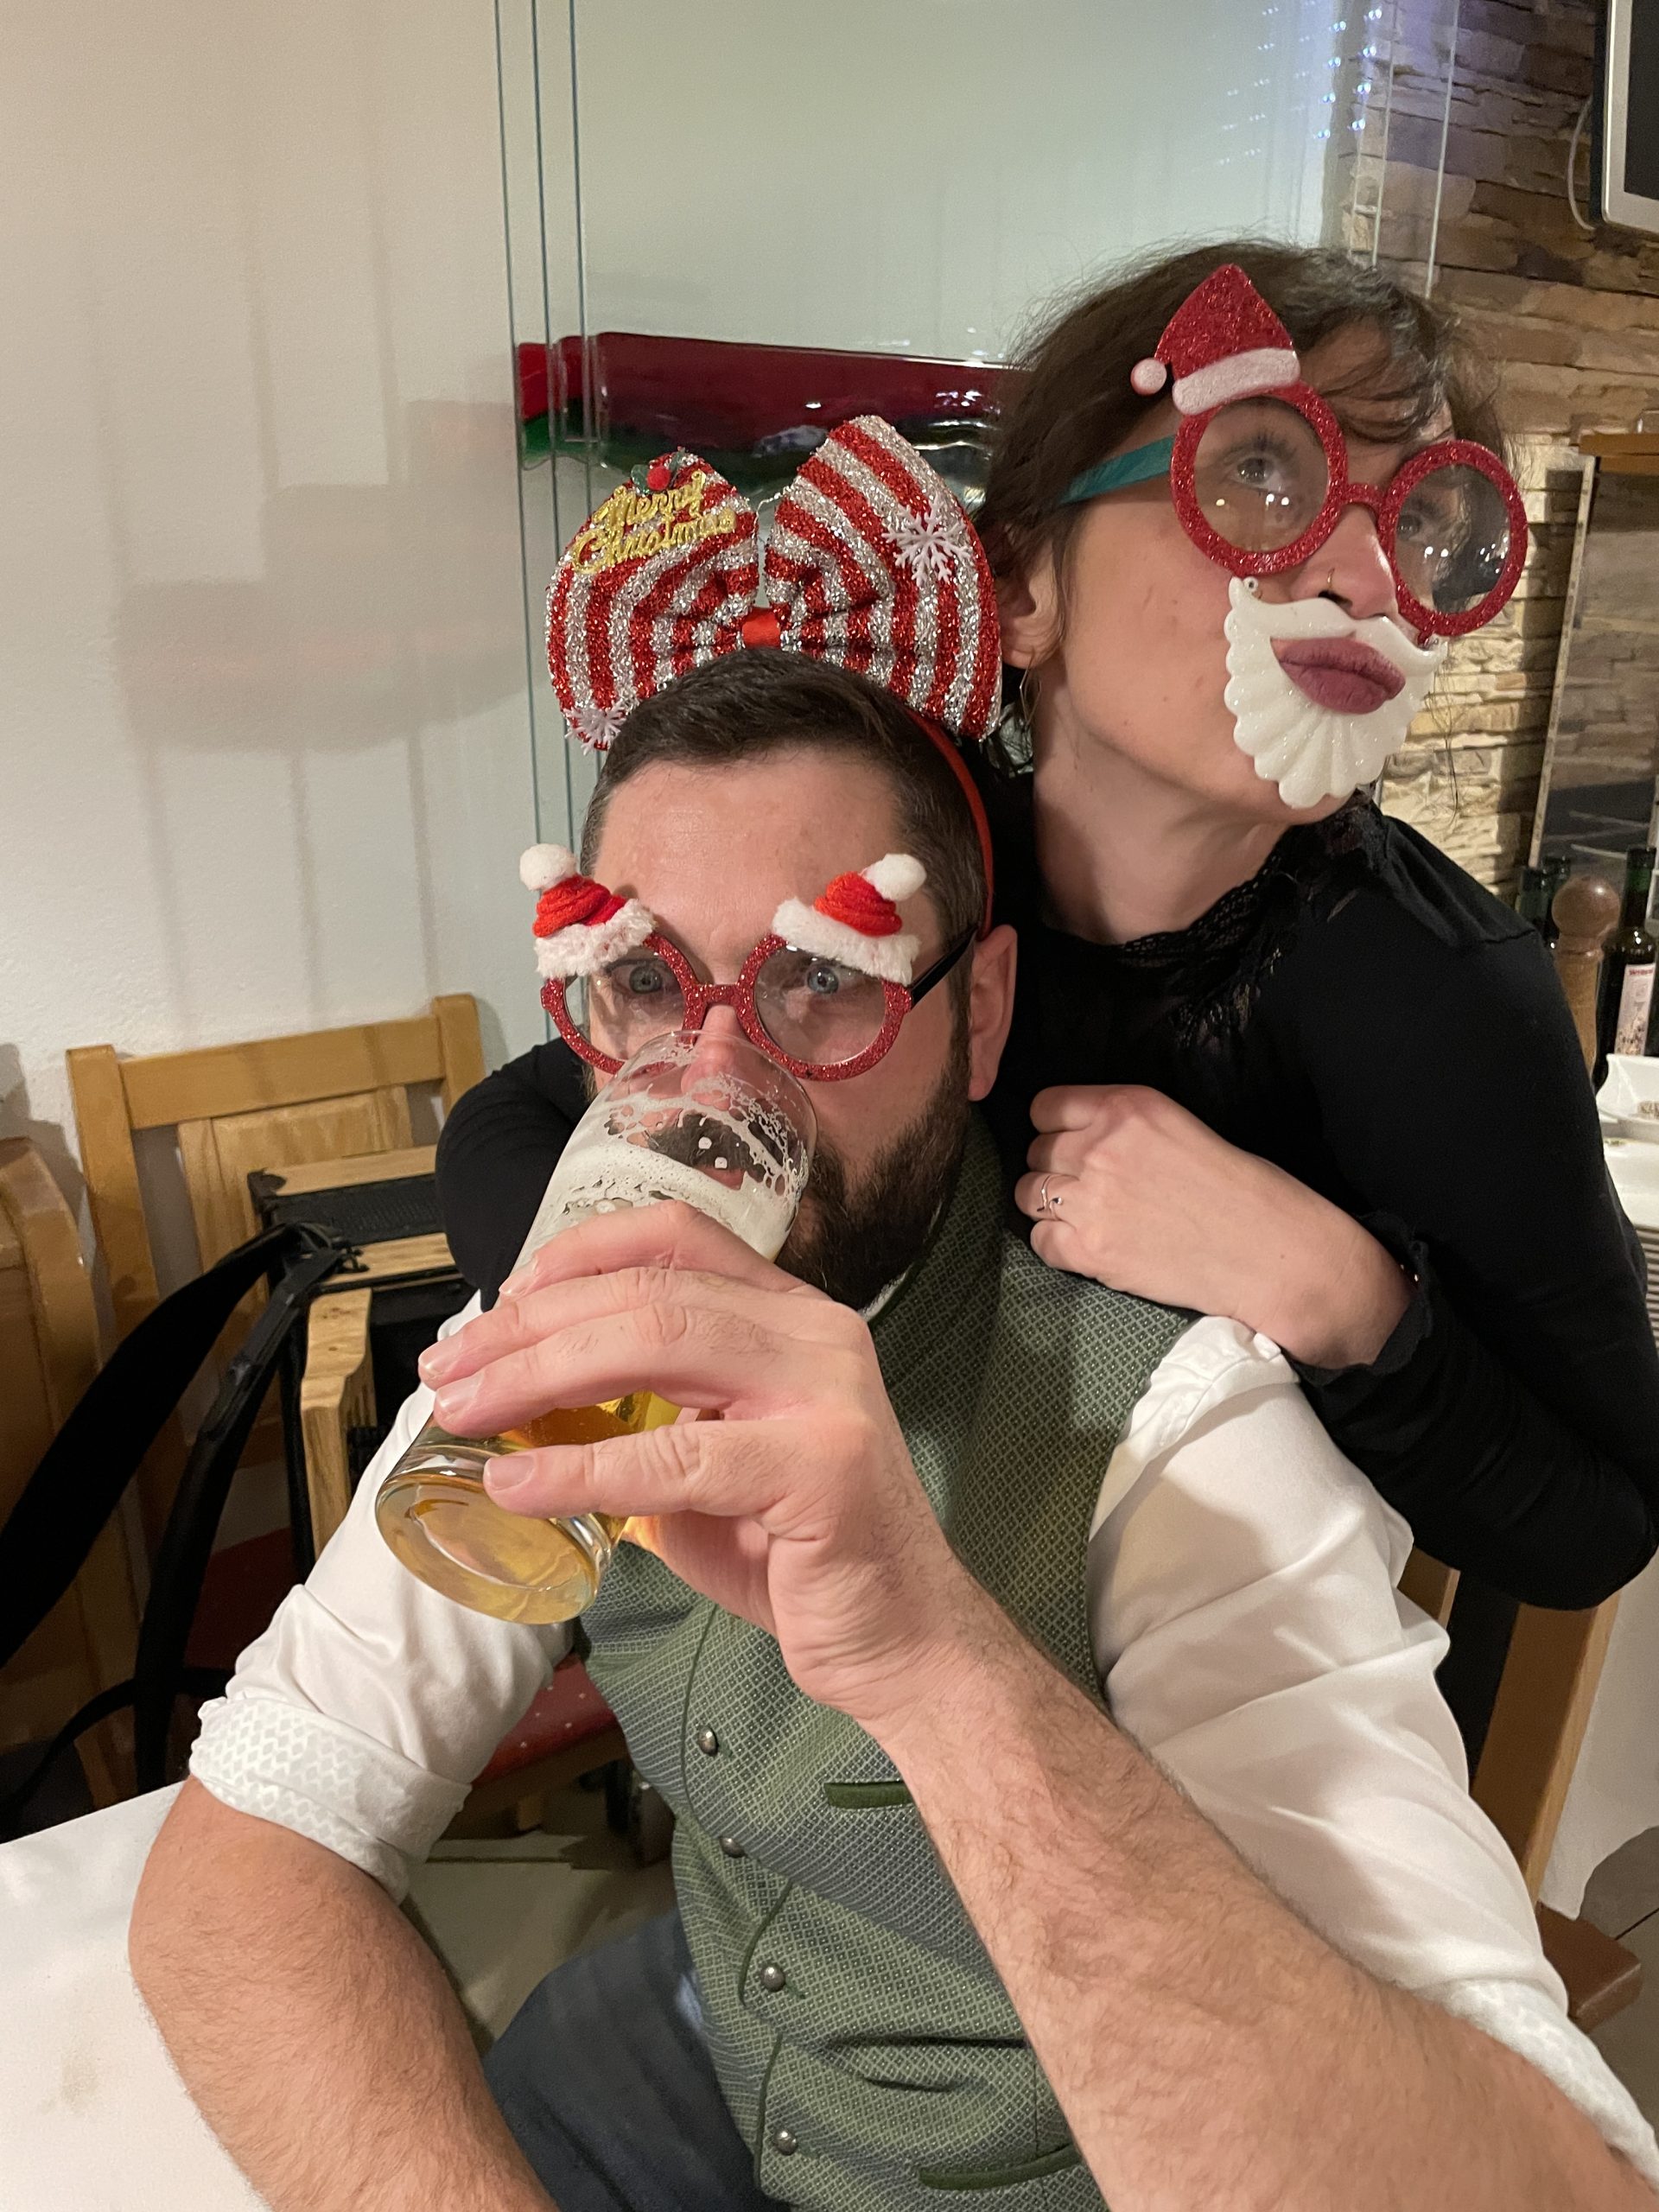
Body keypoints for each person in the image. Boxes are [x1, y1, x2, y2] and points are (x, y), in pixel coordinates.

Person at [130, 432, 1658, 2212]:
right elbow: (249, 1844)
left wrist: (932, 1655)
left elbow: (1549, 2186)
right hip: (718, 2039)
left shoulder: (1183, 1430)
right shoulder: (574, 1309)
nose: (710, 1089)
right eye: (644, 982)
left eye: (821, 982)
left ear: (983, 1013)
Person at [441, 250, 1659, 1740]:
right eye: (1261, 473)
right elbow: (518, 1126)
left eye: (1421, 522)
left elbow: (1597, 1525)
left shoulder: (1444, 1000)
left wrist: (1335, 1294)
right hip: (840, 1666)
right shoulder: (902, 886)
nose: (1362, 581)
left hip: (1247, 1735)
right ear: (1019, 583)